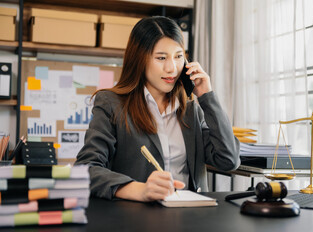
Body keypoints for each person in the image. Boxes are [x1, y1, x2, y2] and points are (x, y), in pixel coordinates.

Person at [75, 16, 240, 202]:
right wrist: (140, 189)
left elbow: (228, 160)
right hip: (135, 218)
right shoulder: (111, 103)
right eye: (161, 58)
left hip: (191, 216)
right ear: (140, 60)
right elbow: (87, 168)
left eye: (178, 56)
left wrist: (207, 97)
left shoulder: (191, 109)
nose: (172, 68)